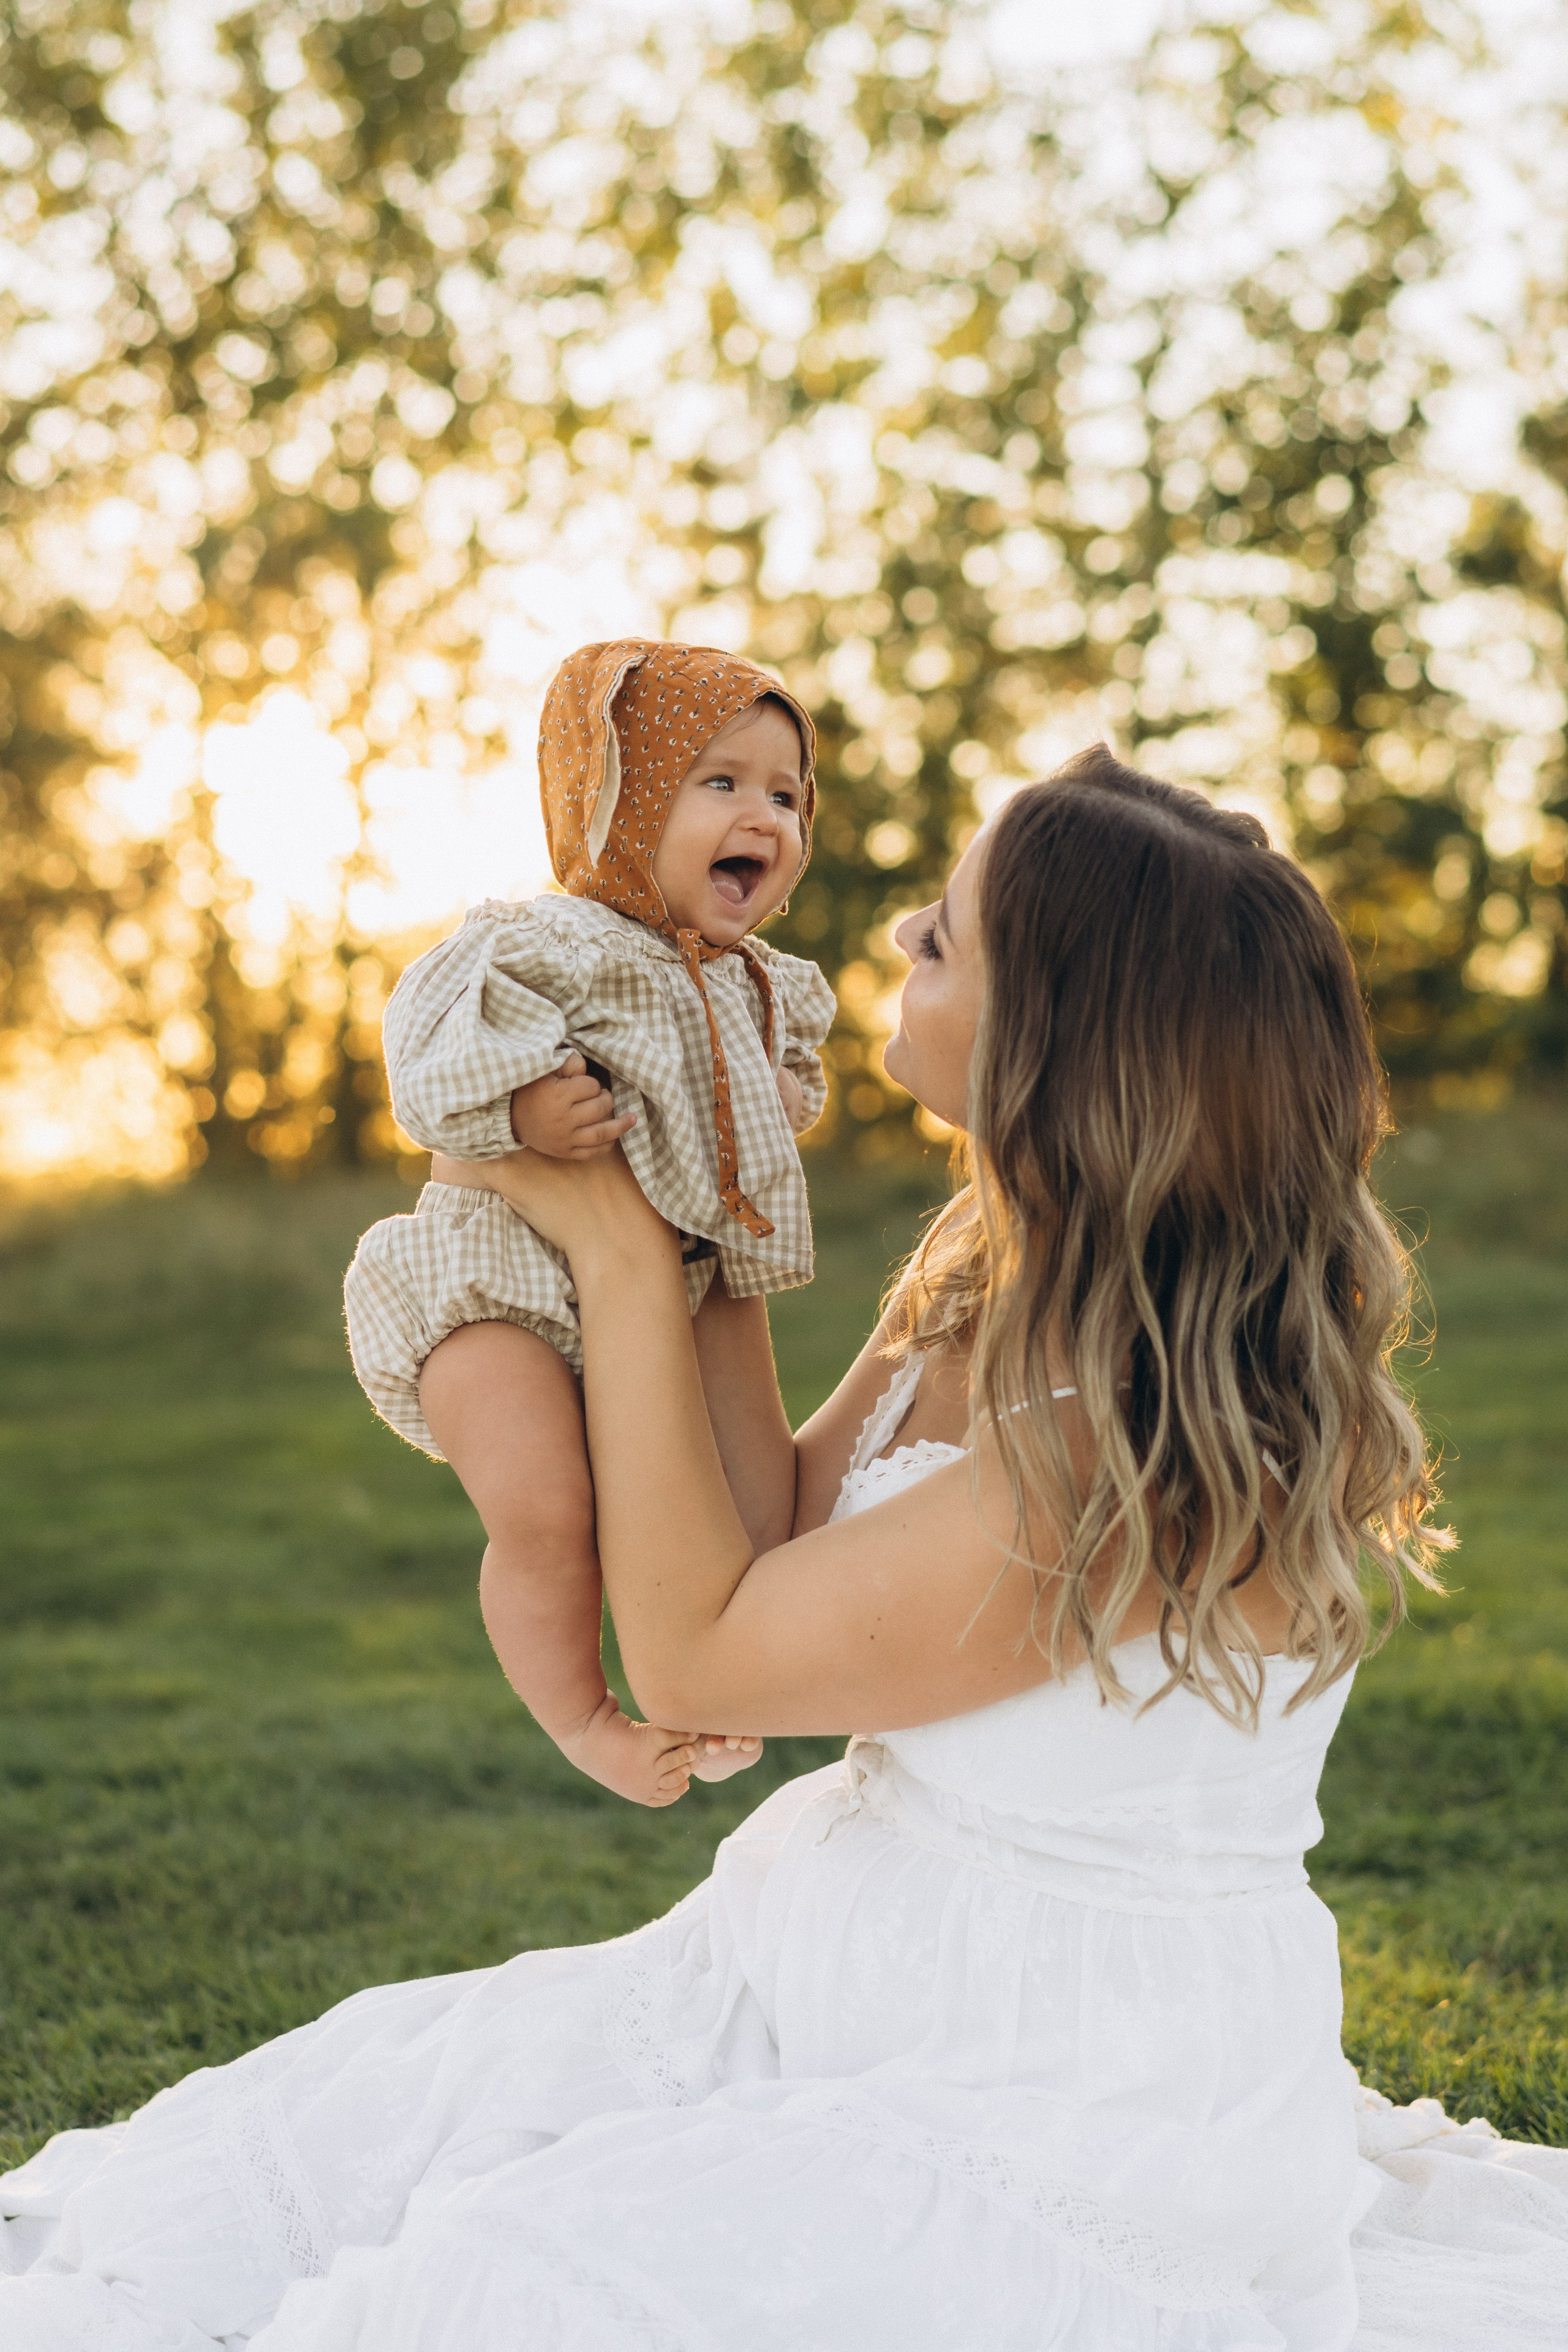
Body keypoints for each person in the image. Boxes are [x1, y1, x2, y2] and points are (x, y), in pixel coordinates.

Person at [4, 749, 1564, 2350]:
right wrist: (706, 1200)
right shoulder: (987, 1273)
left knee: (485, 2290)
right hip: (832, 1962)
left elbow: (693, 1647)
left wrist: (613, 1248)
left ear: (1057, 1041)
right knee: (335, 2148)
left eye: (946, 937)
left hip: (1056, 2091)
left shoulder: (1132, 1442)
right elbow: (772, 1541)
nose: (891, 935)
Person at [343, 639, 837, 1804]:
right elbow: (423, 1064)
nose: (761, 814)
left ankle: (699, 1688)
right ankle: (581, 1719)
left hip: (664, 1295)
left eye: (784, 792)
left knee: (711, 1517)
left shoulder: (761, 980)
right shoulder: (544, 941)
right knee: (549, 1510)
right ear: (616, 802)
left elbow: (790, 1087)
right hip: (497, 1284)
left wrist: (778, 1098)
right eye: (718, 782)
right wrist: (519, 1100)